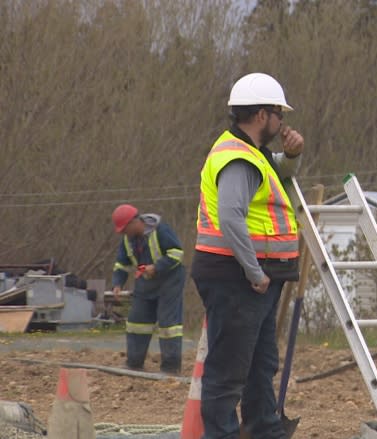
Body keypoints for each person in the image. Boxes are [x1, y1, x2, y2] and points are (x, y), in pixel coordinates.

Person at [191, 72, 304, 439]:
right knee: (229, 370)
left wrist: (292, 155)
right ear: (261, 116)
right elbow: (230, 218)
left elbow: (279, 171)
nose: (281, 121)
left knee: (259, 364)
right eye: (278, 113)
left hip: (252, 278)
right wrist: (254, 273)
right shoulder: (239, 159)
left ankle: (264, 430)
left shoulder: (251, 153)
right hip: (238, 278)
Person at [111, 204, 185, 375]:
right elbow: (121, 264)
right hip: (145, 283)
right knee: (137, 322)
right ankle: (134, 363)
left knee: (168, 325)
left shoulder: (161, 231)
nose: (124, 234)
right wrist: (117, 283)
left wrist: (157, 267)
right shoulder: (127, 241)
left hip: (170, 281)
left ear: (135, 222)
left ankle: (170, 367)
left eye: (125, 229)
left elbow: (177, 253)